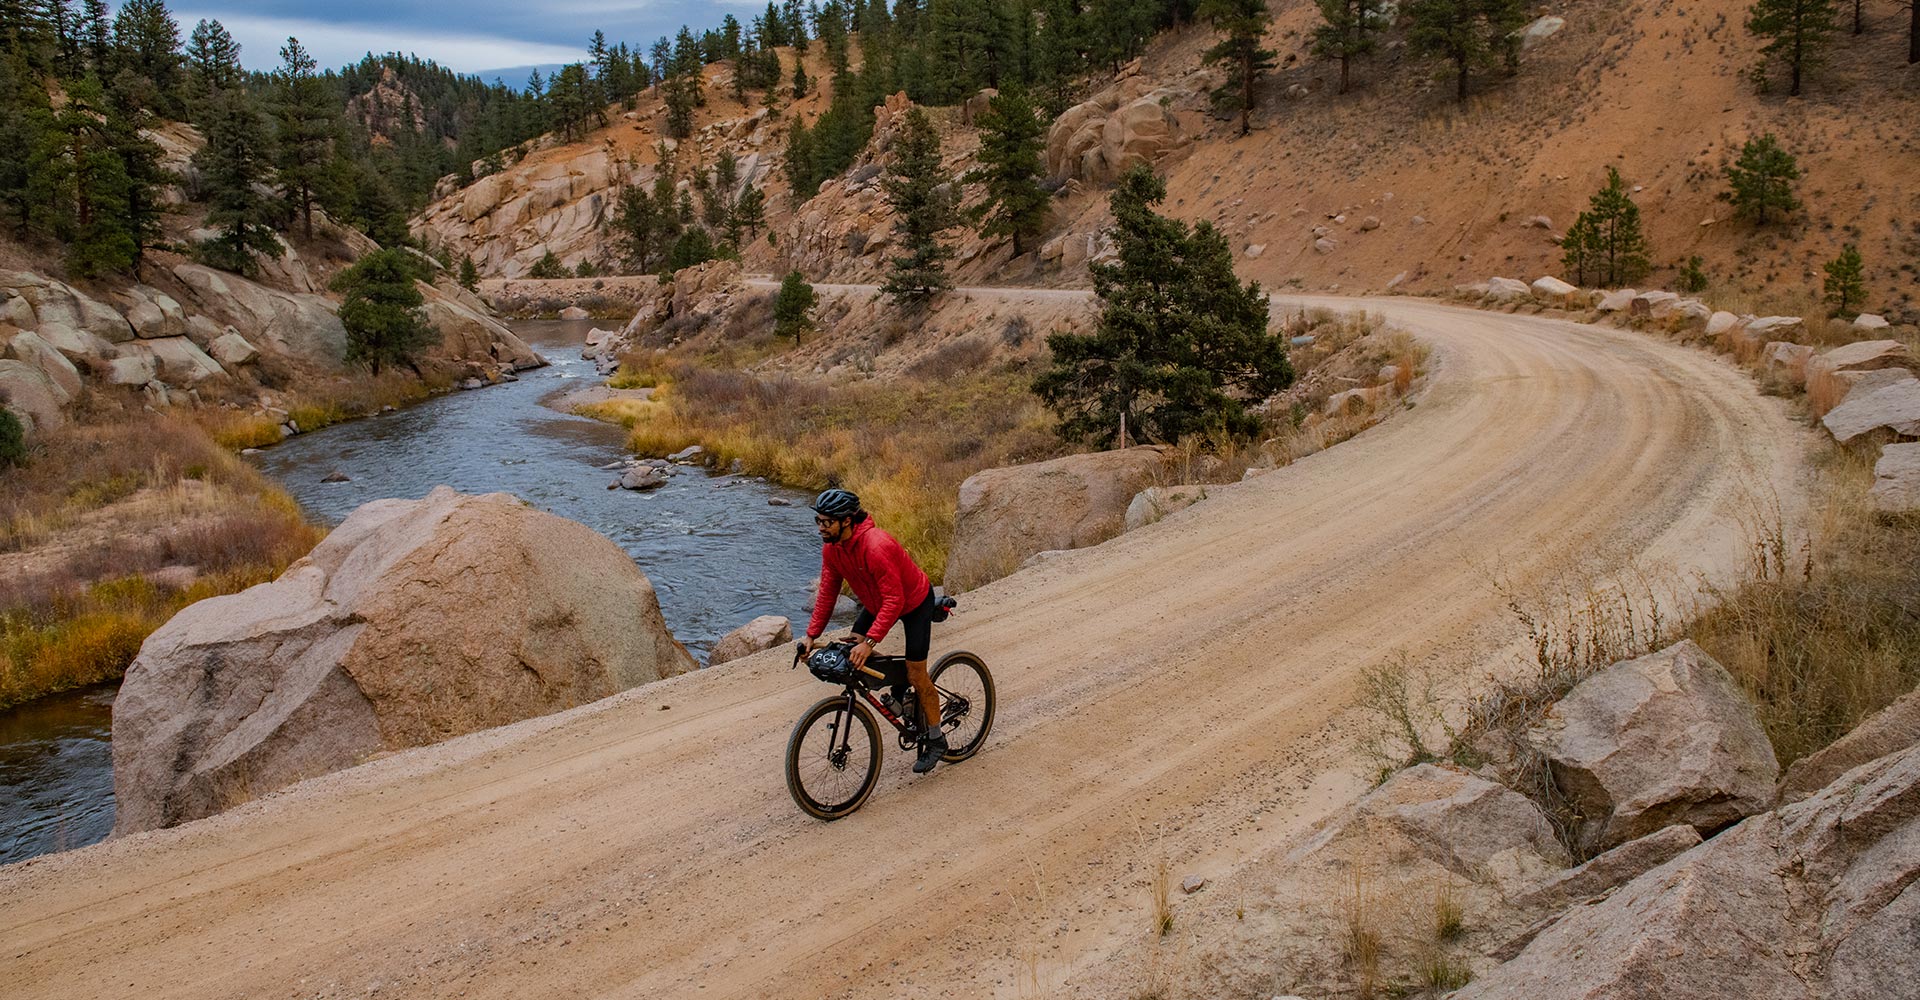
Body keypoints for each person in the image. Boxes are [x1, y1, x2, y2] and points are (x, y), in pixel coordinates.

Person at [804, 487, 948, 773]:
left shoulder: (875, 545)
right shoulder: (832, 549)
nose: (821, 527)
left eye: (826, 522)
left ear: (846, 520)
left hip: (913, 602)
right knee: (851, 651)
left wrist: (869, 641)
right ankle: (900, 689)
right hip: (877, 602)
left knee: (917, 673)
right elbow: (828, 592)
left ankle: (936, 738)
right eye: (818, 521)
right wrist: (811, 635)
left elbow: (895, 600)